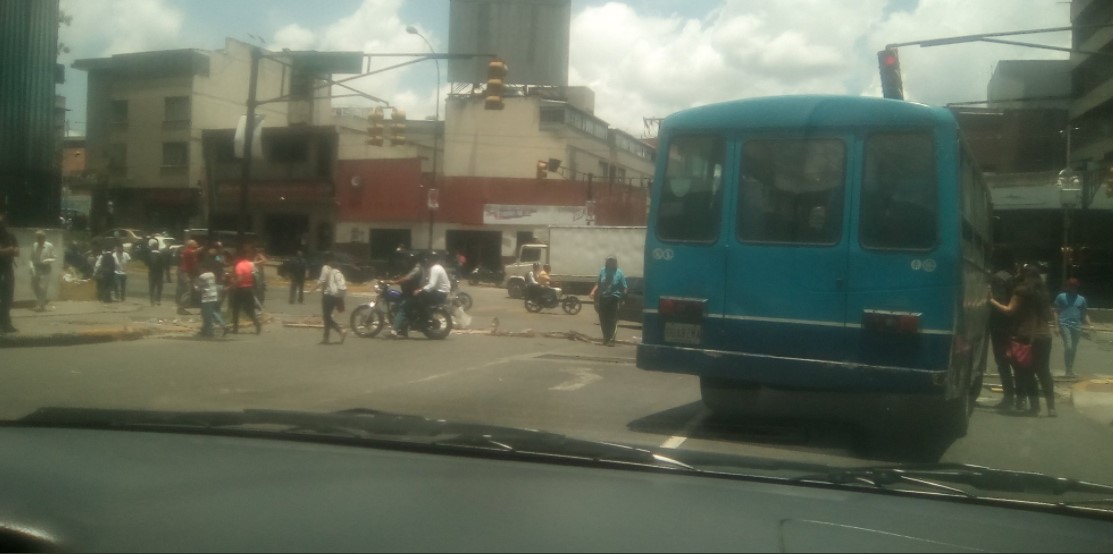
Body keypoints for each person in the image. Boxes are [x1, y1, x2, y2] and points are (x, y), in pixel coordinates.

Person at [990, 264, 1056, 417]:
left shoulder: (1020, 291)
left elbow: (1009, 310)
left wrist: (991, 300)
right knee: (1044, 371)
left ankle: (1035, 406)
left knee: (1027, 372)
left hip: (1024, 336)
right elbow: (1049, 315)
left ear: (1023, 275)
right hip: (1044, 335)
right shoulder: (1043, 293)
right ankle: (1051, 408)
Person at [988, 250, 1019, 411]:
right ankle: (1021, 397)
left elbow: (999, 303)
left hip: (1000, 326)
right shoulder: (1015, 279)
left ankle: (1009, 397)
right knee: (1018, 362)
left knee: (1002, 362)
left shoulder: (998, 278)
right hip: (1016, 325)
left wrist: (988, 298)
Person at [1053, 277, 1094, 380]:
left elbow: (1084, 314)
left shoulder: (1081, 299)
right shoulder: (1061, 297)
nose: (1072, 288)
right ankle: (1068, 370)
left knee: (1074, 349)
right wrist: (1056, 326)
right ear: (1067, 287)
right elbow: (1056, 311)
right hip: (1064, 324)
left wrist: (1090, 324)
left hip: (1077, 326)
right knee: (1069, 347)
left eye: (1074, 287)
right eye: (1070, 286)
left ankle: (1070, 370)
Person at [589, 255, 628, 347]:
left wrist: (623, 298)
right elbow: (598, 283)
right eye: (609, 261)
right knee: (603, 319)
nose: (611, 262)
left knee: (612, 320)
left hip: (614, 298)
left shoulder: (619, 272)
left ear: (615, 262)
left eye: (612, 261)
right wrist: (593, 291)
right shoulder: (603, 270)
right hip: (603, 298)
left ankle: (611, 340)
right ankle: (606, 338)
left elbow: (625, 287)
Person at [310, 252, 347, 344]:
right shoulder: (336, 268)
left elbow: (321, 281)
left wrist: (312, 289)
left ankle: (340, 331)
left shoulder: (325, 268)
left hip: (328, 296)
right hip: (335, 296)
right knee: (327, 316)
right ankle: (326, 338)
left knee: (326, 317)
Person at [388, 252, 423, 339]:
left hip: (414, 294)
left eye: (409, 260)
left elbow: (407, 278)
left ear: (413, 260)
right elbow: (402, 275)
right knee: (395, 307)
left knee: (402, 308)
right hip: (408, 293)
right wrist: (391, 278)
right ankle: (403, 331)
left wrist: (395, 282)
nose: (407, 262)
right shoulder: (410, 267)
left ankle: (394, 331)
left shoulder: (417, 269)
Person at [230, 247, 261, 335]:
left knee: (236, 309)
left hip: (240, 289)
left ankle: (235, 328)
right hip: (249, 288)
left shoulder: (239, 265)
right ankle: (257, 324)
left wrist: (233, 284)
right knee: (249, 309)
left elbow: (239, 278)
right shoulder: (249, 264)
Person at [195, 254, 227, 338]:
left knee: (206, 315)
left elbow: (199, 288)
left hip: (206, 297)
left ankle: (208, 331)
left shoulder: (202, 276)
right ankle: (223, 324)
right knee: (213, 312)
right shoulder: (212, 274)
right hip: (214, 295)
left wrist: (195, 286)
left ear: (203, 268)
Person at [413, 253, 452, 323]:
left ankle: (424, 319)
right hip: (443, 292)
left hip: (439, 294)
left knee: (419, 300)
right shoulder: (439, 267)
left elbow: (432, 284)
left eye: (428, 260)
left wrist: (420, 290)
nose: (426, 261)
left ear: (430, 260)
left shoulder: (435, 268)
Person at [0, 214, 20, 333]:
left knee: (7, 298)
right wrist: (9, 250)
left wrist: (8, 251)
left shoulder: (10, 236)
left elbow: (17, 252)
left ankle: (6, 323)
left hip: (7, 269)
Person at [29, 230, 56, 312]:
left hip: (46, 267)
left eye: (40, 238)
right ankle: (41, 302)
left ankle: (41, 305)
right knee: (34, 285)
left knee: (43, 287)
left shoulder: (49, 246)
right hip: (36, 267)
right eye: (37, 238)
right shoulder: (34, 245)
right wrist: (31, 267)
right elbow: (31, 258)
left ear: (44, 238)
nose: (38, 239)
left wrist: (48, 260)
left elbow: (54, 257)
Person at [177, 240, 200, 314]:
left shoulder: (190, 252)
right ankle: (181, 307)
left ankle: (183, 306)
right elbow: (194, 252)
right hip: (185, 273)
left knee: (188, 290)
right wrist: (204, 248)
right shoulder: (188, 251)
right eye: (195, 243)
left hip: (188, 273)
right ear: (191, 245)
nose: (197, 244)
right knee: (187, 291)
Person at [146, 238, 165, 306]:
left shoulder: (149, 255)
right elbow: (163, 265)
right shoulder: (161, 255)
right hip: (159, 274)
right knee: (159, 287)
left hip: (151, 273)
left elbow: (147, 264)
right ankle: (158, 300)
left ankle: (152, 301)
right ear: (157, 247)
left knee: (151, 287)